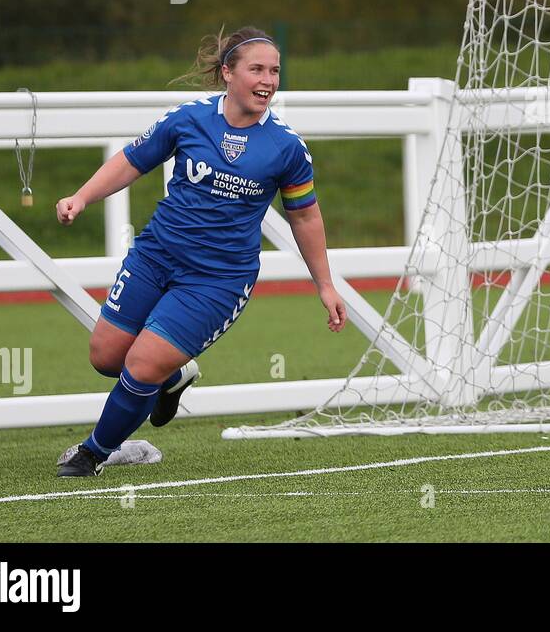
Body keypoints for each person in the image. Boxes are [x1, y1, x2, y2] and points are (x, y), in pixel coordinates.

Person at [54, 27, 346, 477]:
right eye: (257, 69)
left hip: (217, 281)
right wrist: (82, 197)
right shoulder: (188, 118)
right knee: (106, 357)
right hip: (155, 256)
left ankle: (94, 452)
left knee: (142, 364)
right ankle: (173, 377)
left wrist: (325, 285)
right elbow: (132, 160)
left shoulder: (287, 147)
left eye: (275, 71)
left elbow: (305, 217)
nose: (268, 80)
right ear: (228, 73)